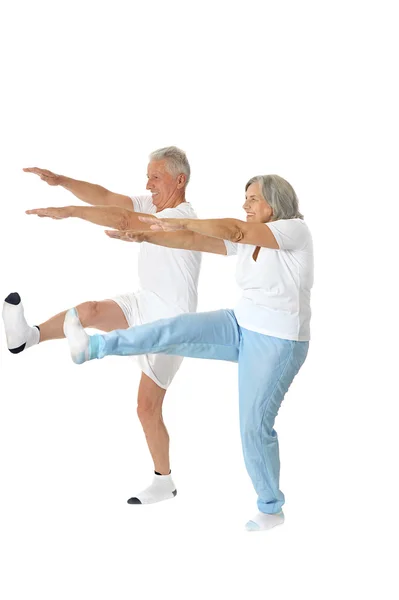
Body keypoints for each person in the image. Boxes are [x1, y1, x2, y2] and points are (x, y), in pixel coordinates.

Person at [62, 174, 314, 532]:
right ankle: (94, 346)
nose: (245, 205)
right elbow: (195, 240)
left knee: (253, 427)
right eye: (245, 198)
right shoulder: (246, 237)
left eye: (253, 199)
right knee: (174, 329)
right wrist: (148, 235)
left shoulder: (293, 230)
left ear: (275, 202)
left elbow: (234, 231)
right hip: (240, 324)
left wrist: (178, 219)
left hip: (279, 341)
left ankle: (271, 509)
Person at [2, 146, 203, 505]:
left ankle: (164, 481)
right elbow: (108, 198)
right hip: (145, 300)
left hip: (173, 320)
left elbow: (123, 220)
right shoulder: (153, 205)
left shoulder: (182, 216)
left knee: (146, 407)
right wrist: (62, 182)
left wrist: (71, 213)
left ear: (179, 179)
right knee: (90, 311)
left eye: (155, 176)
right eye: (148, 176)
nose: (148, 183)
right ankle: (26, 337)